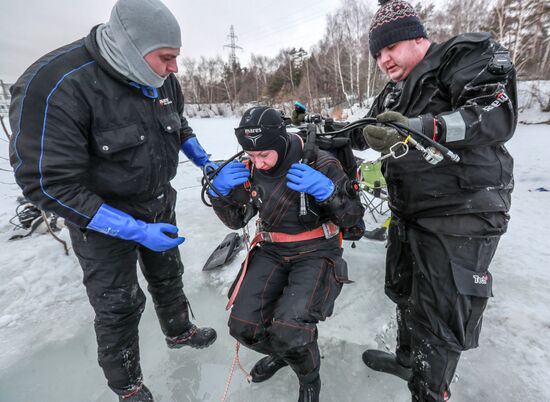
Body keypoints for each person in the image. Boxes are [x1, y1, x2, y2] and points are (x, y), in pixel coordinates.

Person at [9, 0, 217, 400]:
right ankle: (128, 385)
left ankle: (179, 332)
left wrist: (207, 164)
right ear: (130, 47)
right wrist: (134, 230)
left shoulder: (160, 78)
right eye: (167, 57)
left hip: (158, 200)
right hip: (99, 218)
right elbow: (47, 183)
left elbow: (180, 126)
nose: (175, 68)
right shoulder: (55, 84)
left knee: (168, 275)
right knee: (120, 303)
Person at [360, 1, 517, 401]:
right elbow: (365, 132)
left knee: (440, 315)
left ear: (416, 37)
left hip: (463, 211)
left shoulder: (463, 56)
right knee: (404, 291)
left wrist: (421, 127)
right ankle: (407, 360)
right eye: (377, 54)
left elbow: (492, 115)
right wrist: (313, 137)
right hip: (411, 212)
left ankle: (430, 391)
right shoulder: (393, 91)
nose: (384, 60)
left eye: (389, 48)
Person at [208, 106, 364, 402]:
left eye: (264, 155)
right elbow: (236, 220)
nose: (258, 163)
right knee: (244, 328)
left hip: (317, 248)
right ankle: (287, 356)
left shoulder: (320, 162)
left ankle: (309, 380)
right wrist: (220, 195)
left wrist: (329, 192)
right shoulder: (251, 167)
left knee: (290, 330)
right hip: (273, 248)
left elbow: (354, 219)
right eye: (252, 156)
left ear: (279, 142)